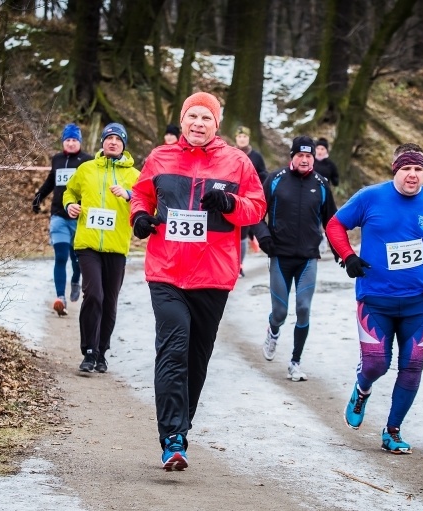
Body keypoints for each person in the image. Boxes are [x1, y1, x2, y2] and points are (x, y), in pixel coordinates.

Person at [129, 92, 266, 471]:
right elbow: (141, 195)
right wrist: (139, 217)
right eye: (193, 117)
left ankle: (181, 425)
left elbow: (257, 205)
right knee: (172, 349)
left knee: (196, 358)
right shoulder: (160, 157)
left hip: (212, 275)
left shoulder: (237, 163)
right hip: (167, 271)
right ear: (183, 121)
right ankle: (172, 437)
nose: (198, 123)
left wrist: (230, 204)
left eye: (206, 117)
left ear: (216, 124)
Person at [326, 142, 423, 454]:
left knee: (413, 365)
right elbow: (335, 224)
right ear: (395, 170)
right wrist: (348, 256)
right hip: (375, 299)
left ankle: (392, 430)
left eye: (418, 169)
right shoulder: (370, 197)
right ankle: (362, 389)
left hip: (418, 302)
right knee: (377, 363)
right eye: (406, 168)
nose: (413, 174)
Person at [253, 136, 338, 382]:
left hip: (308, 257)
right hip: (280, 255)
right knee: (280, 312)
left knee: (303, 309)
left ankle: (295, 362)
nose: (304, 159)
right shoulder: (276, 179)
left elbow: (331, 222)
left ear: (313, 158)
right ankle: (273, 330)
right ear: (292, 157)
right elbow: (257, 214)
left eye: (309, 156)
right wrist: (264, 236)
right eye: (300, 155)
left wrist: (338, 249)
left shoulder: (321, 183)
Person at [62, 122, 138, 375]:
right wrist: (70, 205)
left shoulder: (135, 176)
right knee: (94, 295)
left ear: (124, 144)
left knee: (110, 302)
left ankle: (102, 352)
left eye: (118, 139)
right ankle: (89, 351)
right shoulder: (86, 169)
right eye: (109, 138)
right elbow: (69, 192)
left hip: (116, 246)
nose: (113, 142)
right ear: (102, 143)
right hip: (88, 243)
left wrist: (129, 195)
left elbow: (149, 205)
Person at [32, 123, 93, 316]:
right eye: (68, 140)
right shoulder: (57, 159)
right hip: (58, 215)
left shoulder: (87, 161)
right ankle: (61, 298)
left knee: (77, 259)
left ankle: (76, 280)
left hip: (79, 217)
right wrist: (38, 197)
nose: (71, 143)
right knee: (60, 256)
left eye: (75, 140)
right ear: (63, 142)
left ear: (80, 142)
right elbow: (51, 180)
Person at [234, 125, 268, 277]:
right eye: (240, 137)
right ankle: (230, 265)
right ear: (236, 138)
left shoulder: (256, 156)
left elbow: (264, 175)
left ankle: (239, 266)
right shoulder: (230, 154)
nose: (242, 139)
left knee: (242, 233)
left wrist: (256, 186)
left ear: (248, 138)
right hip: (231, 197)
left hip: (248, 199)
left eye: (245, 137)